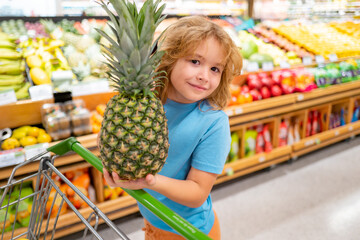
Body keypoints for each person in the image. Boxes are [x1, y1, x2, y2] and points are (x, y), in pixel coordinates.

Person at [103, 16, 242, 239]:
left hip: (189, 231)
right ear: (168, 59)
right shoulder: (145, 108)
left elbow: (197, 192)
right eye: (195, 61)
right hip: (152, 222)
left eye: (215, 68)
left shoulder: (213, 122)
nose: (204, 76)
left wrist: (150, 181)